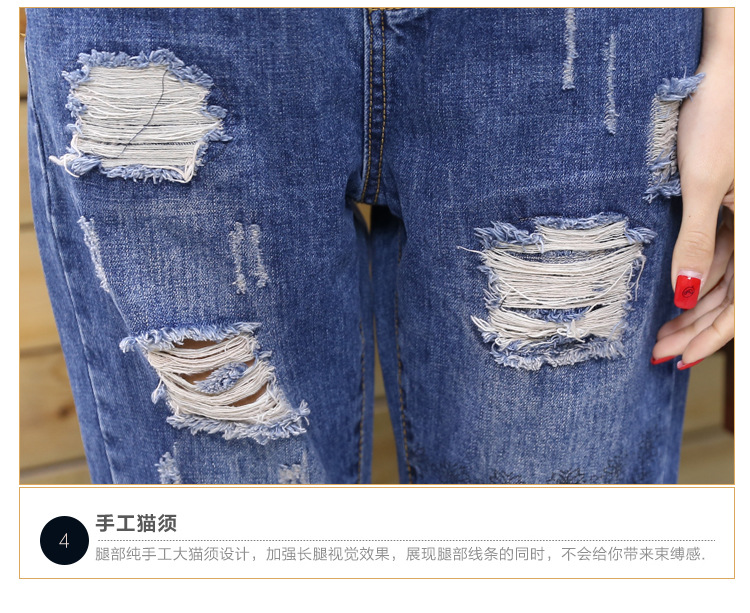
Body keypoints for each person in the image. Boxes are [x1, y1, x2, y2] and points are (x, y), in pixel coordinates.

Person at [23, 8, 734, 484]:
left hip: (569, 36)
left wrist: (737, 40)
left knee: (551, 553)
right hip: (165, 38)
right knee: (225, 547)